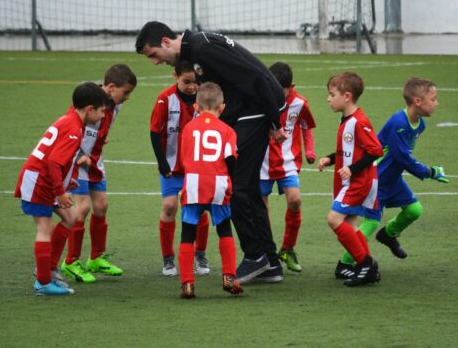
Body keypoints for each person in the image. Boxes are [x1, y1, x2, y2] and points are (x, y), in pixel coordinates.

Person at [136, 21, 288, 285]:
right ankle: (269, 261)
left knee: (237, 186)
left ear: (165, 42)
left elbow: (256, 76)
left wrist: (275, 121)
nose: (155, 62)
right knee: (249, 187)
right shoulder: (196, 48)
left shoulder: (203, 50)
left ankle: (255, 256)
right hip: (252, 109)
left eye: (153, 55)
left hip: (258, 109)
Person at [14, 82, 108, 296]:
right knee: (44, 229)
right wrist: (60, 191)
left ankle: (49, 269)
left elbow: (58, 159)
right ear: (90, 109)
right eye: (102, 111)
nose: (103, 116)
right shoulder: (74, 129)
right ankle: (43, 283)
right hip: (40, 181)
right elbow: (54, 163)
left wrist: (68, 181)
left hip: (46, 179)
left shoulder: (71, 121)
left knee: (71, 216)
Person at [60, 65, 137, 283]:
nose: (128, 97)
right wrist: (79, 154)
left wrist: (99, 141)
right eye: (126, 92)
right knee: (82, 208)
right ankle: (71, 262)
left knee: (101, 206)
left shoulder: (115, 105)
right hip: (79, 160)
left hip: (96, 160)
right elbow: (71, 126)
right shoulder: (89, 99)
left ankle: (96, 258)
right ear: (111, 87)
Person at [317, 72, 384, 286]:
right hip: (352, 180)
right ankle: (368, 268)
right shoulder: (348, 120)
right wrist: (330, 158)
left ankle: (364, 263)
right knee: (351, 225)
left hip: (358, 181)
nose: (328, 99)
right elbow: (349, 150)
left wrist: (352, 169)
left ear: (347, 96)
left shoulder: (359, 121)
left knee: (333, 219)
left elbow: (375, 150)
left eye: (331, 94)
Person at [177, 82, 243, 298]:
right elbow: (230, 158)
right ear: (222, 108)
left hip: (194, 183)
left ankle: (187, 283)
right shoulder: (227, 130)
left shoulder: (188, 128)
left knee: (188, 233)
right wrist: (231, 181)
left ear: (195, 107)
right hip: (218, 184)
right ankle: (229, 277)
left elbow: (185, 159)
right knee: (224, 229)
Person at [371, 77, 449, 259]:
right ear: (417, 101)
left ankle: (388, 235)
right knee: (370, 224)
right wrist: (430, 172)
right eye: (433, 99)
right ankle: (346, 262)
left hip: (393, 179)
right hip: (376, 179)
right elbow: (403, 158)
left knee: (414, 210)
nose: (436, 103)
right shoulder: (399, 123)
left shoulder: (420, 125)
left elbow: (403, 158)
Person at [149, 60, 211, 276]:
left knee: (199, 208)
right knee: (169, 206)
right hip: (171, 166)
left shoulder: (203, 99)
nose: (192, 86)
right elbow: (155, 132)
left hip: (197, 165)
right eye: (187, 82)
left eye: (195, 82)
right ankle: (168, 259)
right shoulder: (165, 99)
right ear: (175, 76)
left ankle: (200, 254)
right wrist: (162, 162)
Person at [260, 62, 316, 274]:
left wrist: (309, 150)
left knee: (295, 200)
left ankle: (288, 249)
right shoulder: (260, 100)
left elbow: (306, 126)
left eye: (280, 90)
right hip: (262, 162)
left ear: (290, 86)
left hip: (288, 162)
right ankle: (267, 251)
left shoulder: (300, 103)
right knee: (261, 208)